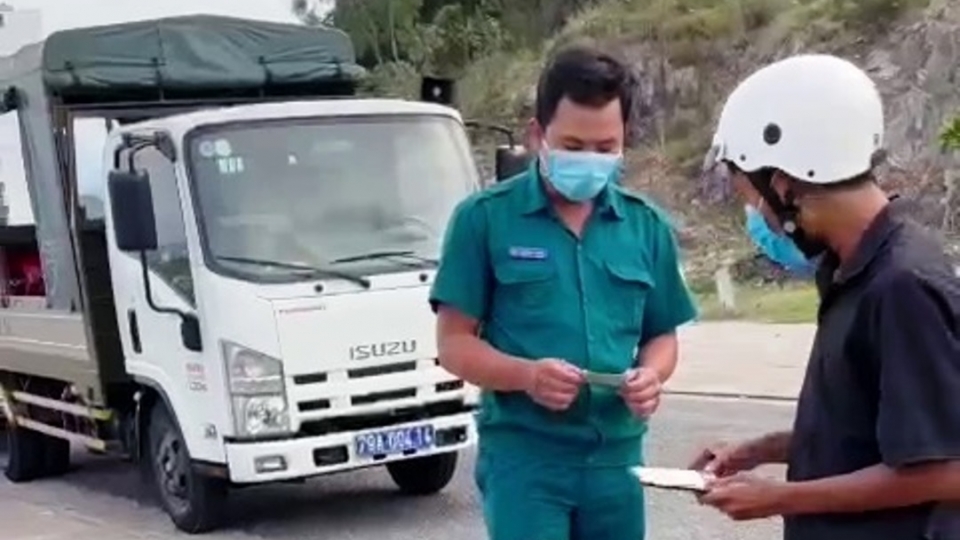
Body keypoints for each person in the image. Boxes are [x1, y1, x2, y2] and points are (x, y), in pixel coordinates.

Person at [430, 45, 697, 540]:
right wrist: (527, 376)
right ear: (538, 136)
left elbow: (662, 334)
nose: (590, 160)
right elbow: (454, 344)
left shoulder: (646, 226)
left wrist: (652, 376)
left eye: (605, 147)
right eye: (573, 145)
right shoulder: (483, 220)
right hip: (526, 462)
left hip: (616, 461)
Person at [691, 53, 960, 540]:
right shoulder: (851, 270)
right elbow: (863, 432)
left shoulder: (903, 286)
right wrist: (759, 450)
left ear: (783, 183)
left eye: (752, 200)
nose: (758, 218)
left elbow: (945, 470)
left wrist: (780, 497)